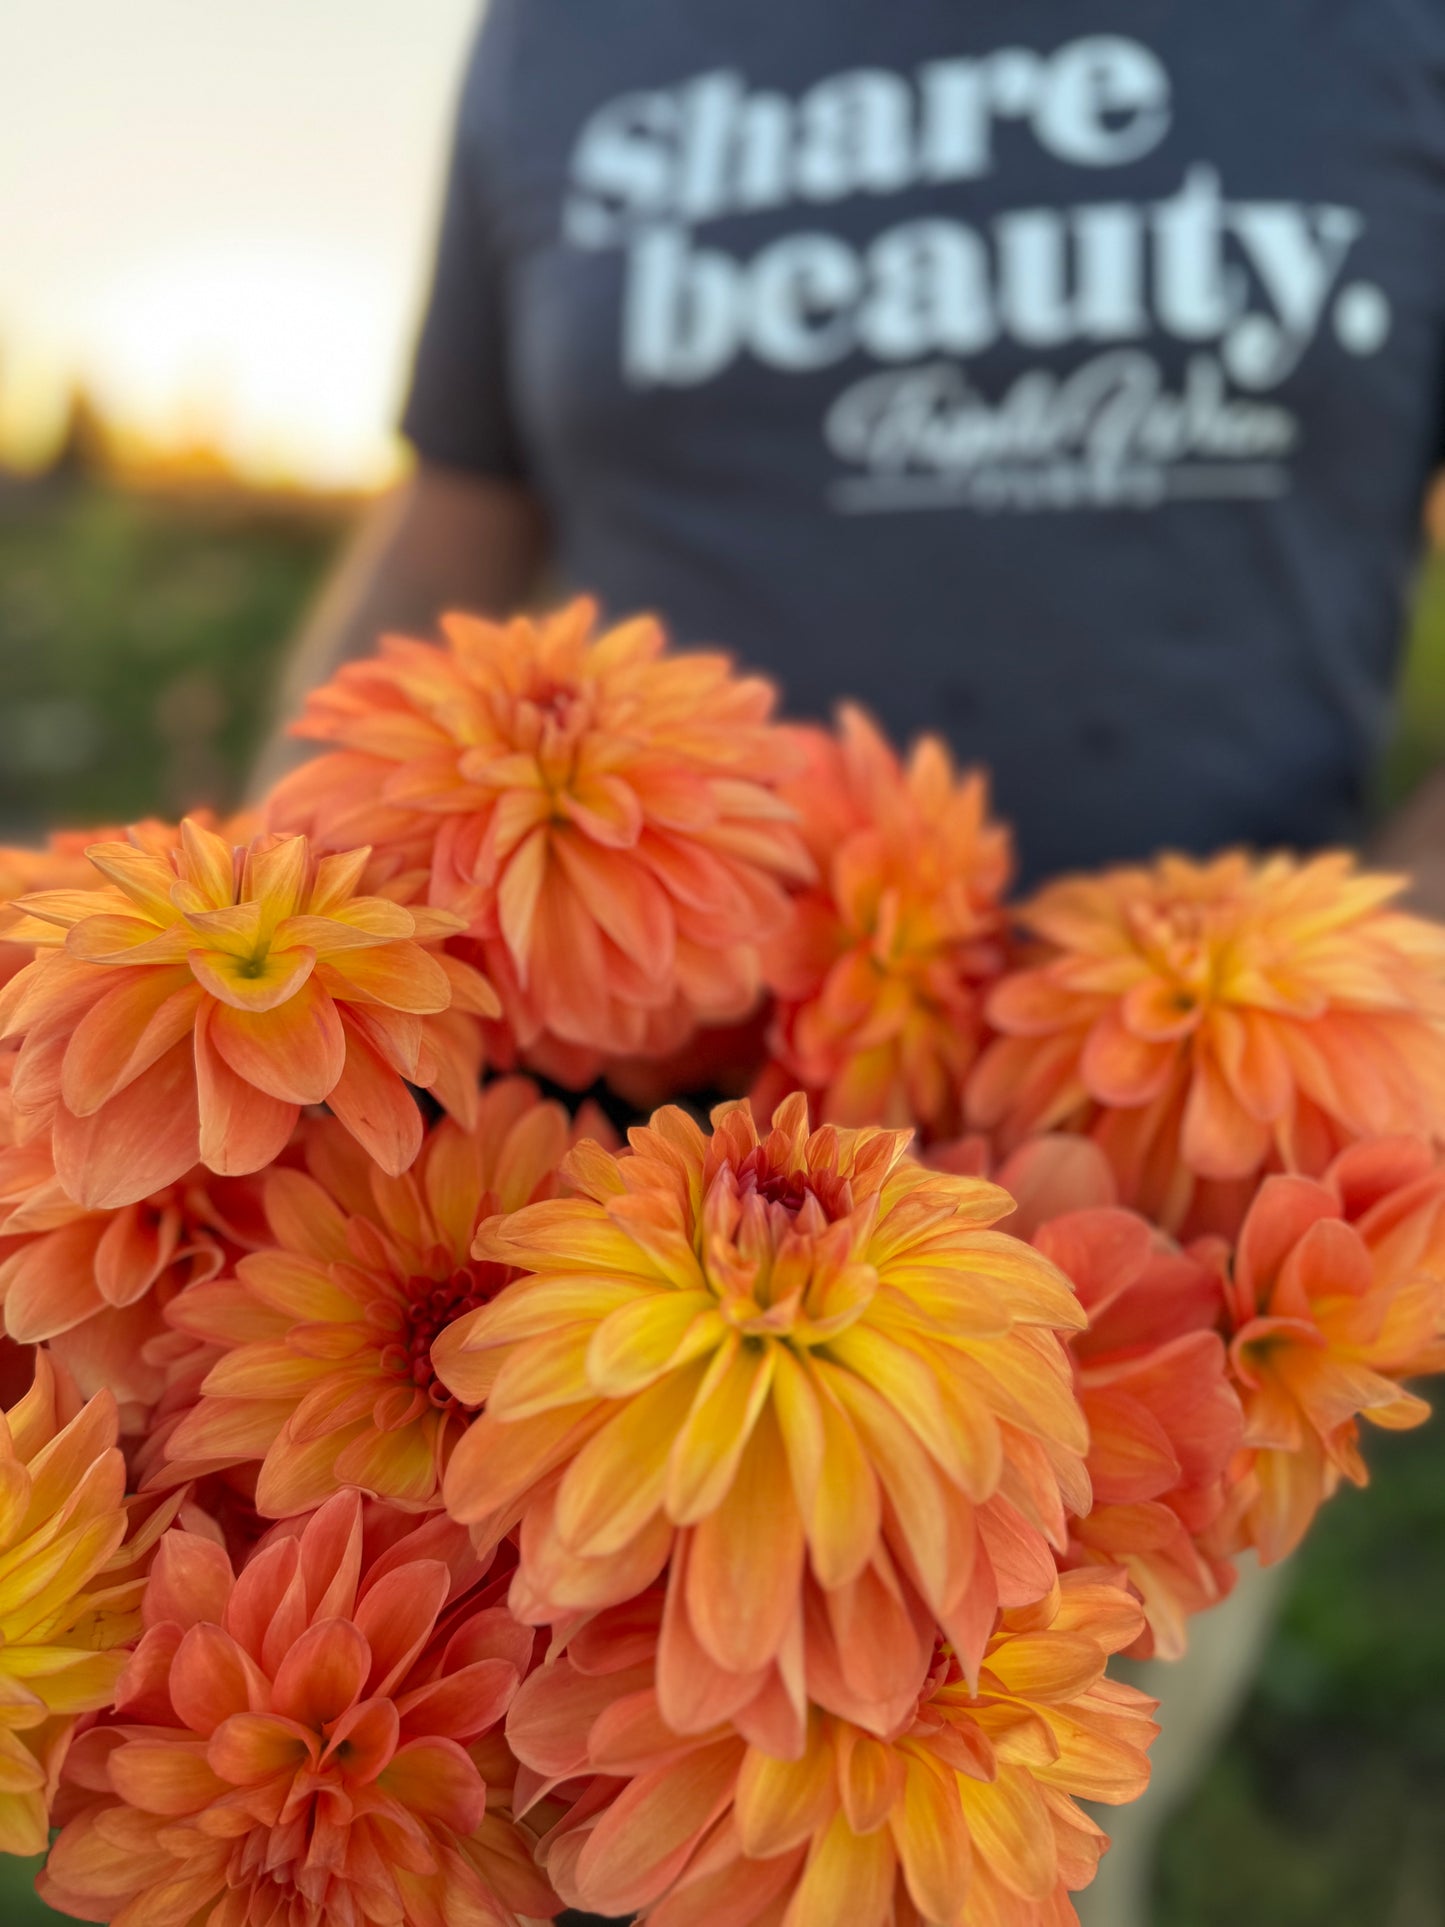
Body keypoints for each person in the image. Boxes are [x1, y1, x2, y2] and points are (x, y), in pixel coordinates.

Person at [256, 7, 1445, 1920]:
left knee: (963, 1855)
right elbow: (447, 535)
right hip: (528, 1236)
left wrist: (1373, 1032)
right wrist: (266, 1016)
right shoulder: (566, 38)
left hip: (1144, 1271)